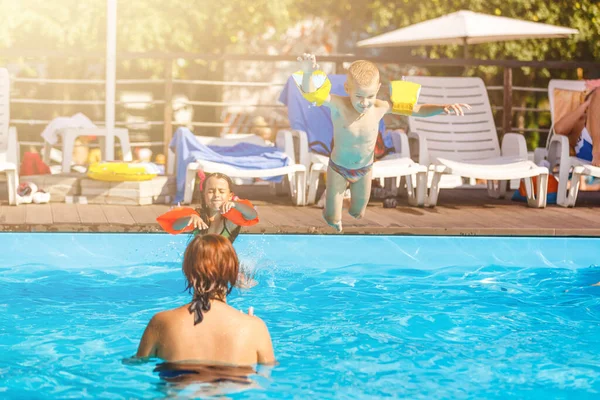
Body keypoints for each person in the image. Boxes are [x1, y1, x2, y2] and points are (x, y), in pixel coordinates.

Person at [296, 53, 471, 232]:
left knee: (358, 213)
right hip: (338, 168)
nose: (365, 103)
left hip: (364, 170)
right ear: (347, 88)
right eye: (359, 97)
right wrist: (309, 73)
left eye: (370, 96)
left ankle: (345, 200)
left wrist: (442, 108)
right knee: (333, 220)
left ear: (378, 88)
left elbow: (417, 110)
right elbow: (311, 95)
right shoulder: (339, 105)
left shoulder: (381, 107)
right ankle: (330, 210)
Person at [136, 234, 275, 365]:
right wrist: (250, 325)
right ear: (233, 272)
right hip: (231, 387)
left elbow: (136, 365)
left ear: (187, 270)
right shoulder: (254, 327)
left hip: (177, 388)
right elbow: (264, 380)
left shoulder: (161, 322)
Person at [554, 85, 600, 167]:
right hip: (588, 156)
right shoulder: (579, 124)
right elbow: (558, 129)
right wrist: (587, 104)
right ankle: (597, 151)